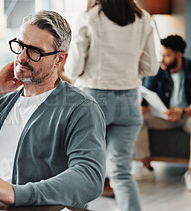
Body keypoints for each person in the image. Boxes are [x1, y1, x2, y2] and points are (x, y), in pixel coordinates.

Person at [0, 10, 106, 209]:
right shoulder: (0, 102)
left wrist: (17, 193)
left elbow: (89, 177)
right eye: (21, 45)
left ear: (59, 60)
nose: (22, 57)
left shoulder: (81, 108)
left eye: (34, 51)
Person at [64, 0, 158, 210]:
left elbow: (74, 69)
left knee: (83, 169)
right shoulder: (143, 19)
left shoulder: (89, 18)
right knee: (122, 173)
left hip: (94, 100)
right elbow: (150, 67)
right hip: (129, 101)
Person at [134, 35, 191, 189]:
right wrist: (143, 105)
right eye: (162, 55)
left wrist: (184, 111)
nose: (163, 59)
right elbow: (147, 93)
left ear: (179, 55)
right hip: (164, 117)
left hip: (187, 116)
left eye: (167, 55)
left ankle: (190, 173)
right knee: (138, 116)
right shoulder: (157, 70)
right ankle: (146, 168)